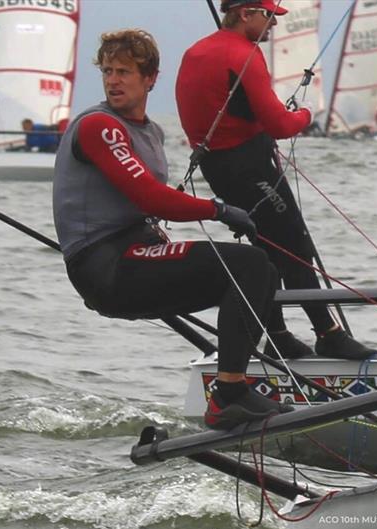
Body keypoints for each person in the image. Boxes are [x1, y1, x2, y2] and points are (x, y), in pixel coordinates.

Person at [52, 29, 292, 431]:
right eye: (108, 71)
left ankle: (243, 380)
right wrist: (217, 209)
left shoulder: (150, 132)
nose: (113, 80)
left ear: (150, 78)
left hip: (133, 254)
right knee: (247, 266)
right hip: (105, 267)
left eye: (124, 72)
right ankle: (229, 395)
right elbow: (151, 198)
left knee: (260, 271)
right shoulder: (99, 127)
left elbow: (143, 206)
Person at [176, 0, 376, 360]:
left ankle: (278, 334)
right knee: (292, 246)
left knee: (264, 248)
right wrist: (304, 114)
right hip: (249, 166)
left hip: (217, 168)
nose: (273, 24)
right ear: (244, 13)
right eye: (268, 15)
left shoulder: (195, 51)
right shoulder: (244, 55)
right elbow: (280, 126)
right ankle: (327, 333)